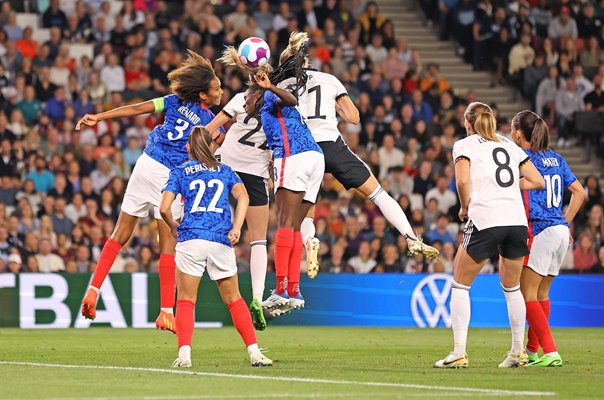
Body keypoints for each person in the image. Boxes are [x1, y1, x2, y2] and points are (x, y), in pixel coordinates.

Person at [76, 50, 224, 334]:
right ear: (203, 95)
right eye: (216, 88)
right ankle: (166, 312)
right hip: (169, 177)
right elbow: (210, 149)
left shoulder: (171, 101)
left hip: (145, 165)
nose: (220, 91)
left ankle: (93, 289)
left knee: (119, 234)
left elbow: (134, 109)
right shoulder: (210, 120)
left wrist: (99, 116)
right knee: (168, 244)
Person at [281, 45, 438, 280]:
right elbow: (354, 118)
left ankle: (309, 240)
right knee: (378, 194)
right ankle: (411, 238)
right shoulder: (329, 79)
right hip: (332, 144)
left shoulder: (283, 87)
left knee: (307, 212)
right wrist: (331, 108)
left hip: (304, 149)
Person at [219, 32, 325, 317]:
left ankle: (280, 288)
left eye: (248, 97)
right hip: (315, 158)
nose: (244, 103)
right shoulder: (267, 99)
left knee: (284, 225)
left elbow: (289, 99)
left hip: (294, 157)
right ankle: (293, 289)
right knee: (293, 227)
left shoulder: (269, 97)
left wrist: (267, 86)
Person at [434, 102, 545, 369]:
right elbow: (537, 180)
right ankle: (517, 351)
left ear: (467, 123)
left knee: (460, 286)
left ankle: (459, 352)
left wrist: (464, 206)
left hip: (486, 219)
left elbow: (462, 182)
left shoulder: (465, 145)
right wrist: (507, 187)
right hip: (516, 222)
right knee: (512, 289)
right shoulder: (509, 145)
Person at [159, 126, 271, 368]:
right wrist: (238, 227)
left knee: (186, 300)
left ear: (188, 147)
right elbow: (244, 197)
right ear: (211, 146)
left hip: (191, 239)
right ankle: (254, 352)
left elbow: (164, 208)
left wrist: (173, 226)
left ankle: (185, 355)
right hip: (220, 239)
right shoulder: (225, 170)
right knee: (235, 300)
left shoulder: (180, 171)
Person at [511, 110, 585, 367]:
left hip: (541, 230)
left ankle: (550, 350)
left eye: (512, 129)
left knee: (526, 293)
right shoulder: (556, 159)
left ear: (520, 134)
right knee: (542, 293)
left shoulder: (524, 160)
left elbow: (520, 186)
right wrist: (566, 220)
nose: (511, 134)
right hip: (560, 232)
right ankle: (533, 351)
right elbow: (579, 192)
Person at [205, 92, 272, 331]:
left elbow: (210, 128)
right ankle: (257, 297)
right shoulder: (281, 109)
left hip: (226, 164)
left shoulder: (242, 98)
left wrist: (208, 144)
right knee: (259, 241)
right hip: (256, 172)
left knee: (203, 213)